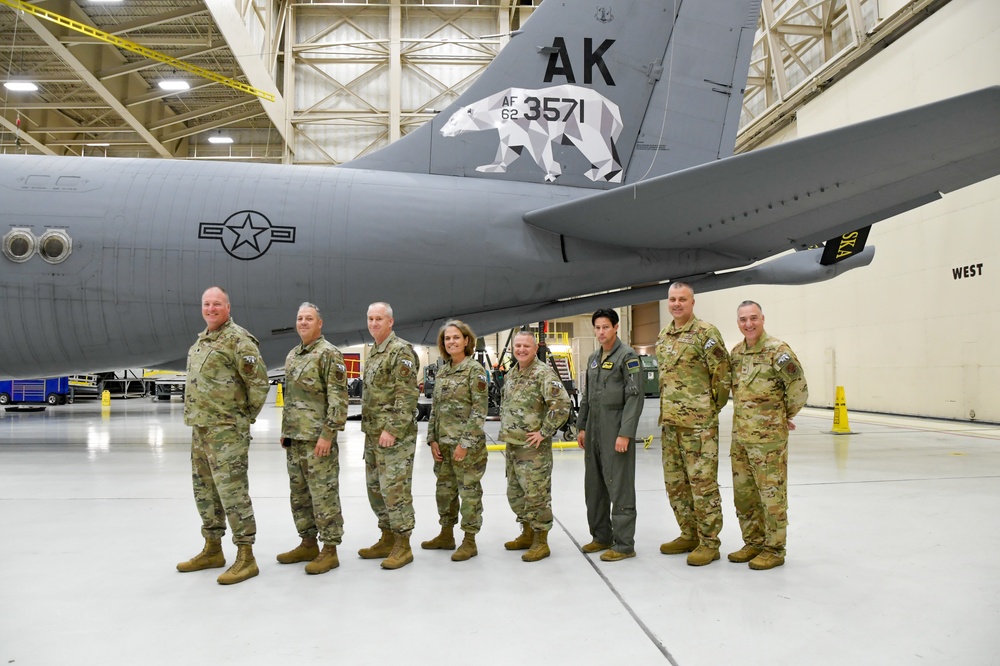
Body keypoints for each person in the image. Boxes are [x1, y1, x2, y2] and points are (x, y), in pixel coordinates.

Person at [176, 286, 269, 585]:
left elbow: (259, 384)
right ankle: (213, 548)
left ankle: (246, 556)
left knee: (233, 494)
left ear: (228, 307)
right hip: (201, 428)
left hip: (226, 432)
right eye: (206, 304)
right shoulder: (203, 340)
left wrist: (241, 420)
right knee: (205, 493)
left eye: (217, 304)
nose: (211, 309)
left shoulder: (239, 340)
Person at [655, 282, 732, 566]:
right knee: (676, 484)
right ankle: (689, 533)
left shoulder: (705, 333)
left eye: (682, 299)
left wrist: (709, 408)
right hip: (670, 424)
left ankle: (710, 542)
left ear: (692, 302)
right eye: (672, 299)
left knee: (702, 485)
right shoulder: (664, 335)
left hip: (699, 426)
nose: (677, 304)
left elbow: (722, 376)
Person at [728, 300, 808, 570]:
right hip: (740, 437)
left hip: (768, 441)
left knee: (771, 495)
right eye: (743, 319)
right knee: (745, 494)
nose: (748, 324)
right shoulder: (736, 353)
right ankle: (753, 542)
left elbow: (798, 387)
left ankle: (774, 548)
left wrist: (783, 415)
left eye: (753, 318)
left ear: (763, 318)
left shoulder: (778, 350)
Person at [275, 303, 349, 575]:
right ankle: (307, 543)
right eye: (300, 318)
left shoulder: (329, 354)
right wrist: (285, 431)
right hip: (295, 439)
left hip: (319, 440)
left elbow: (339, 399)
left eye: (309, 319)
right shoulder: (293, 355)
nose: (303, 322)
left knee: (324, 494)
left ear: (320, 323)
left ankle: (330, 549)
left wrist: (328, 434)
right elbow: (292, 399)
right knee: (300, 495)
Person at [576, 309, 644, 561]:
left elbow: (634, 398)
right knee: (594, 485)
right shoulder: (594, 358)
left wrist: (625, 433)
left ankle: (625, 544)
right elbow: (587, 396)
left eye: (605, 327)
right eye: (597, 327)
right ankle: (601, 536)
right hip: (594, 428)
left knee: (620, 486)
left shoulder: (627, 357)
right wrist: (582, 427)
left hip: (615, 428)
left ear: (616, 327)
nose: (601, 332)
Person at [499, 331, 571, 562]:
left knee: (536, 494)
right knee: (516, 493)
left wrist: (544, 432)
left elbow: (561, 405)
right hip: (513, 445)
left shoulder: (543, 373)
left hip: (533, 450)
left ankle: (541, 541)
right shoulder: (512, 373)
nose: (521, 349)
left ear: (534, 348)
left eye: (526, 346)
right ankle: (527, 532)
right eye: (517, 346)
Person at [421, 320, 489, 562]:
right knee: (444, 492)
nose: (451, 342)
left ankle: (469, 541)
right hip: (444, 445)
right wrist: (432, 440)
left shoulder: (474, 371)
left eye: (456, 337)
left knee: (469, 493)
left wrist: (464, 444)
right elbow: (435, 409)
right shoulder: (442, 371)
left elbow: (480, 411)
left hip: (466, 447)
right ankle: (446, 534)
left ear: (467, 341)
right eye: (447, 338)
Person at [358, 302, 419, 570]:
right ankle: (386, 537)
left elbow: (407, 396)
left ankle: (403, 545)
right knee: (376, 490)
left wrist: (392, 430)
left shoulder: (400, 351)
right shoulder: (373, 352)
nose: (374, 323)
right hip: (372, 435)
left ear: (390, 322)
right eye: (370, 319)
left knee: (395, 491)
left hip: (393, 437)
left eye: (379, 319)